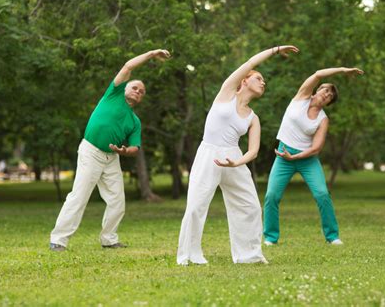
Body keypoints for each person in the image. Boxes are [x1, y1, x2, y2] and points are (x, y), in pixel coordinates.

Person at [177, 45, 300, 265]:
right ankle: (190, 254)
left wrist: (236, 162)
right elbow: (251, 63)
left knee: (250, 205)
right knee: (196, 205)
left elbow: (253, 151)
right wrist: (276, 50)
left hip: (234, 158)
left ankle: (248, 255)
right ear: (245, 80)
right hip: (209, 153)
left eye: (264, 81)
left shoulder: (253, 118)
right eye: (259, 78)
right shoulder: (226, 93)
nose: (263, 82)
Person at [50, 49, 171, 251]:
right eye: (135, 87)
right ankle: (58, 240)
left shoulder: (135, 122)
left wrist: (124, 151)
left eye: (141, 92)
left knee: (117, 201)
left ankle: (109, 239)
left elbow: (135, 147)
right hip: (91, 152)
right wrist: (151, 54)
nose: (138, 92)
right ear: (125, 88)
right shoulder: (113, 94)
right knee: (79, 197)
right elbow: (128, 66)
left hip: (112, 157)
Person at [263, 67, 364, 246]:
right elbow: (317, 74)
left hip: (307, 160)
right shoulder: (300, 98)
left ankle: (332, 236)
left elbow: (316, 148)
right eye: (325, 89)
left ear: (328, 103)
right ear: (318, 89)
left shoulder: (323, 119)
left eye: (330, 96)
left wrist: (296, 157)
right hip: (283, 156)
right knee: (271, 196)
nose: (327, 94)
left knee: (322, 194)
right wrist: (342, 70)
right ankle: (270, 237)